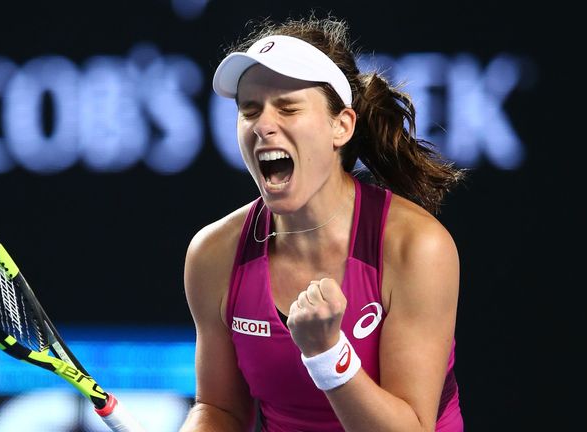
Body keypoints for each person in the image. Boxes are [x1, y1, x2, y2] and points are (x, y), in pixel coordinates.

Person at [180, 12, 466, 432]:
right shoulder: (213, 255)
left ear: (341, 125)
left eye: (288, 108)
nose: (263, 125)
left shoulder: (416, 247)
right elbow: (220, 409)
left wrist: (329, 355)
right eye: (250, 110)